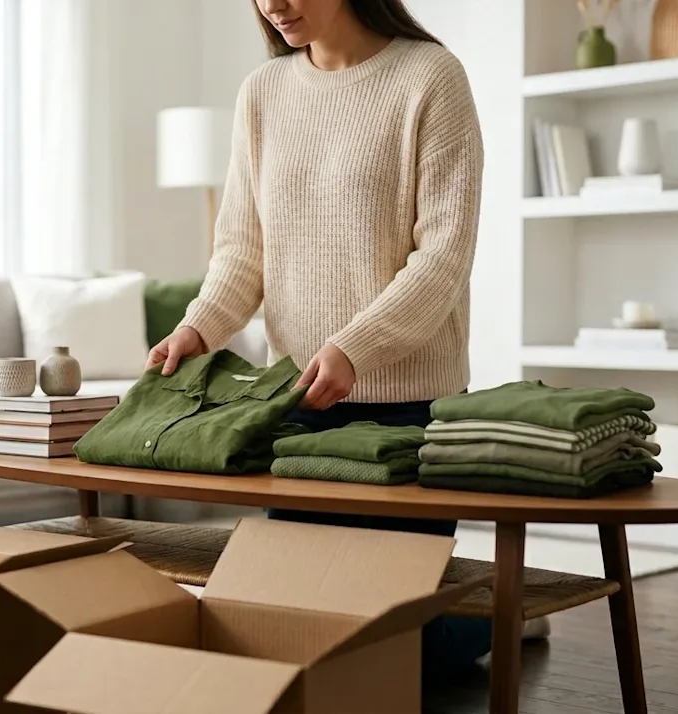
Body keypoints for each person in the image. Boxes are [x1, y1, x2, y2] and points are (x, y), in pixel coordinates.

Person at [146, 0, 547, 681]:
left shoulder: (430, 77)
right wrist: (198, 326)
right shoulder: (263, 93)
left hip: (409, 410)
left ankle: (495, 617)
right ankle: (473, 610)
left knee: (386, 654)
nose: (274, 4)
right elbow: (244, 251)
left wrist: (356, 347)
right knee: (286, 630)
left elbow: (443, 259)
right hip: (299, 408)